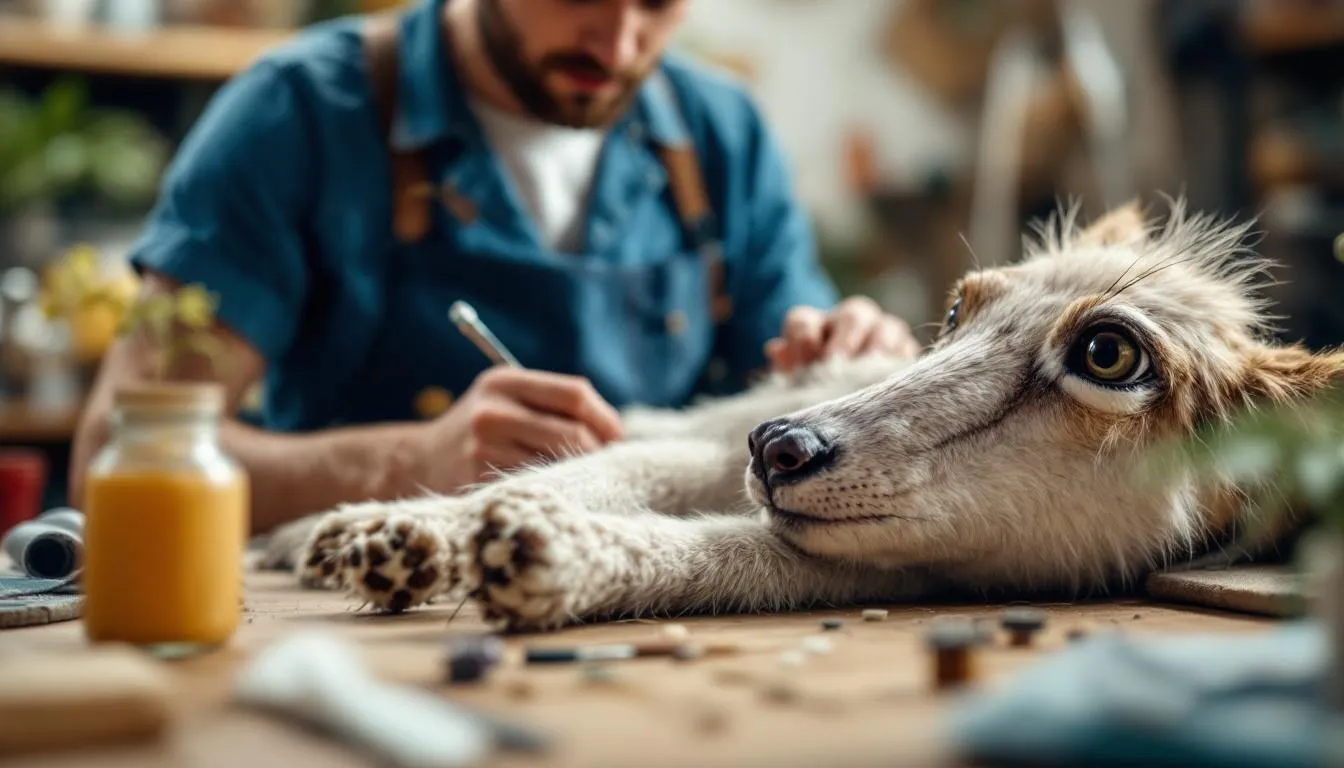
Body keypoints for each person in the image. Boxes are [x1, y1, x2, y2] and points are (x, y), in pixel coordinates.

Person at [69, 0, 921, 532]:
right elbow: (117, 454)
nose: (619, 40)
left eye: (659, 4)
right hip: (360, 623)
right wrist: (413, 463)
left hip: (646, 616)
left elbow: (800, 399)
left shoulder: (722, 138)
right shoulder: (295, 114)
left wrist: (850, 365)